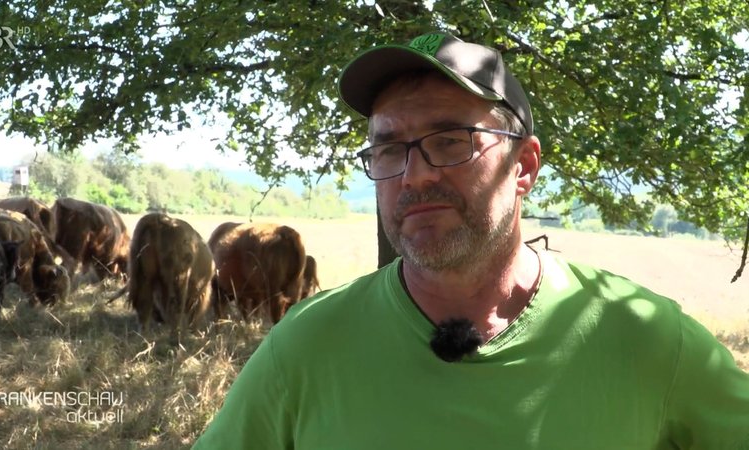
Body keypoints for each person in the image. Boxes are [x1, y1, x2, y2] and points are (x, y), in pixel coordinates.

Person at [194, 32, 749, 449]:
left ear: (524, 166)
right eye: (390, 150)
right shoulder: (305, 348)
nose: (414, 176)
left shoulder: (647, 340)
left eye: (451, 140)